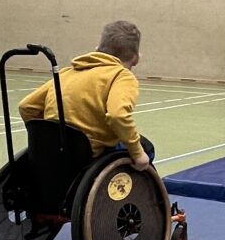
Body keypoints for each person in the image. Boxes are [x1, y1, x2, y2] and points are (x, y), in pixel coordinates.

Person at [18, 20, 153, 171]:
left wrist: (45, 137)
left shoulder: (65, 73)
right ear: (136, 59)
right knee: (147, 149)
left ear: (96, 50)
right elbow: (117, 115)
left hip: (54, 149)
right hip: (89, 152)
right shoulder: (122, 76)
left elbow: (26, 107)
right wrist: (138, 155)